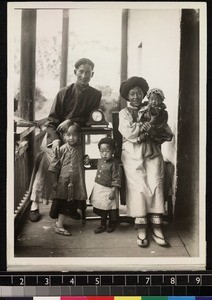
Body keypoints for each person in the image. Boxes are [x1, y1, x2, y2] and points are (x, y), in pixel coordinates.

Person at [29, 58, 102, 222]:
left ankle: (71, 204)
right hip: (57, 136)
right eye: (81, 71)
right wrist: (55, 140)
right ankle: (34, 203)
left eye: (88, 72)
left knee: (76, 165)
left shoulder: (95, 94)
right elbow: (51, 120)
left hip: (77, 136)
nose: (84, 75)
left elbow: (91, 119)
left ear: (92, 74)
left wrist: (71, 121)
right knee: (47, 161)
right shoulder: (64, 92)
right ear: (75, 72)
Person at [118, 76, 173, 248]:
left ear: (144, 94)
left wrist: (154, 128)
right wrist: (145, 126)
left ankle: (157, 225)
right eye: (132, 94)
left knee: (155, 181)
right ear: (127, 96)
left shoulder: (153, 109)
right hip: (132, 152)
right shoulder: (124, 113)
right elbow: (129, 132)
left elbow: (165, 132)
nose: (135, 96)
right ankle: (141, 225)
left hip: (152, 150)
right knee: (139, 185)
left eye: (139, 93)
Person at [48, 123, 89, 236]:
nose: (71, 138)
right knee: (63, 203)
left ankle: (71, 214)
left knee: (73, 201)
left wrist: (86, 158)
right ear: (64, 136)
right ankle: (59, 225)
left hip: (76, 181)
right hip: (64, 182)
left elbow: (82, 157)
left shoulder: (80, 147)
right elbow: (55, 166)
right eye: (68, 135)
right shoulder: (62, 149)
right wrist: (55, 181)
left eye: (74, 135)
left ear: (79, 136)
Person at [89, 137, 122, 234]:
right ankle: (102, 224)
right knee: (102, 208)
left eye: (107, 151)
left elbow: (117, 178)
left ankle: (112, 223)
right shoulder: (100, 161)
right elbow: (94, 162)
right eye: (101, 151)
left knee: (110, 207)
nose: (104, 154)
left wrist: (113, 190)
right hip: (99, 188)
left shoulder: (114, 164)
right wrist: (89, 161)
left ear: (113, 151)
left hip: (109, 189)